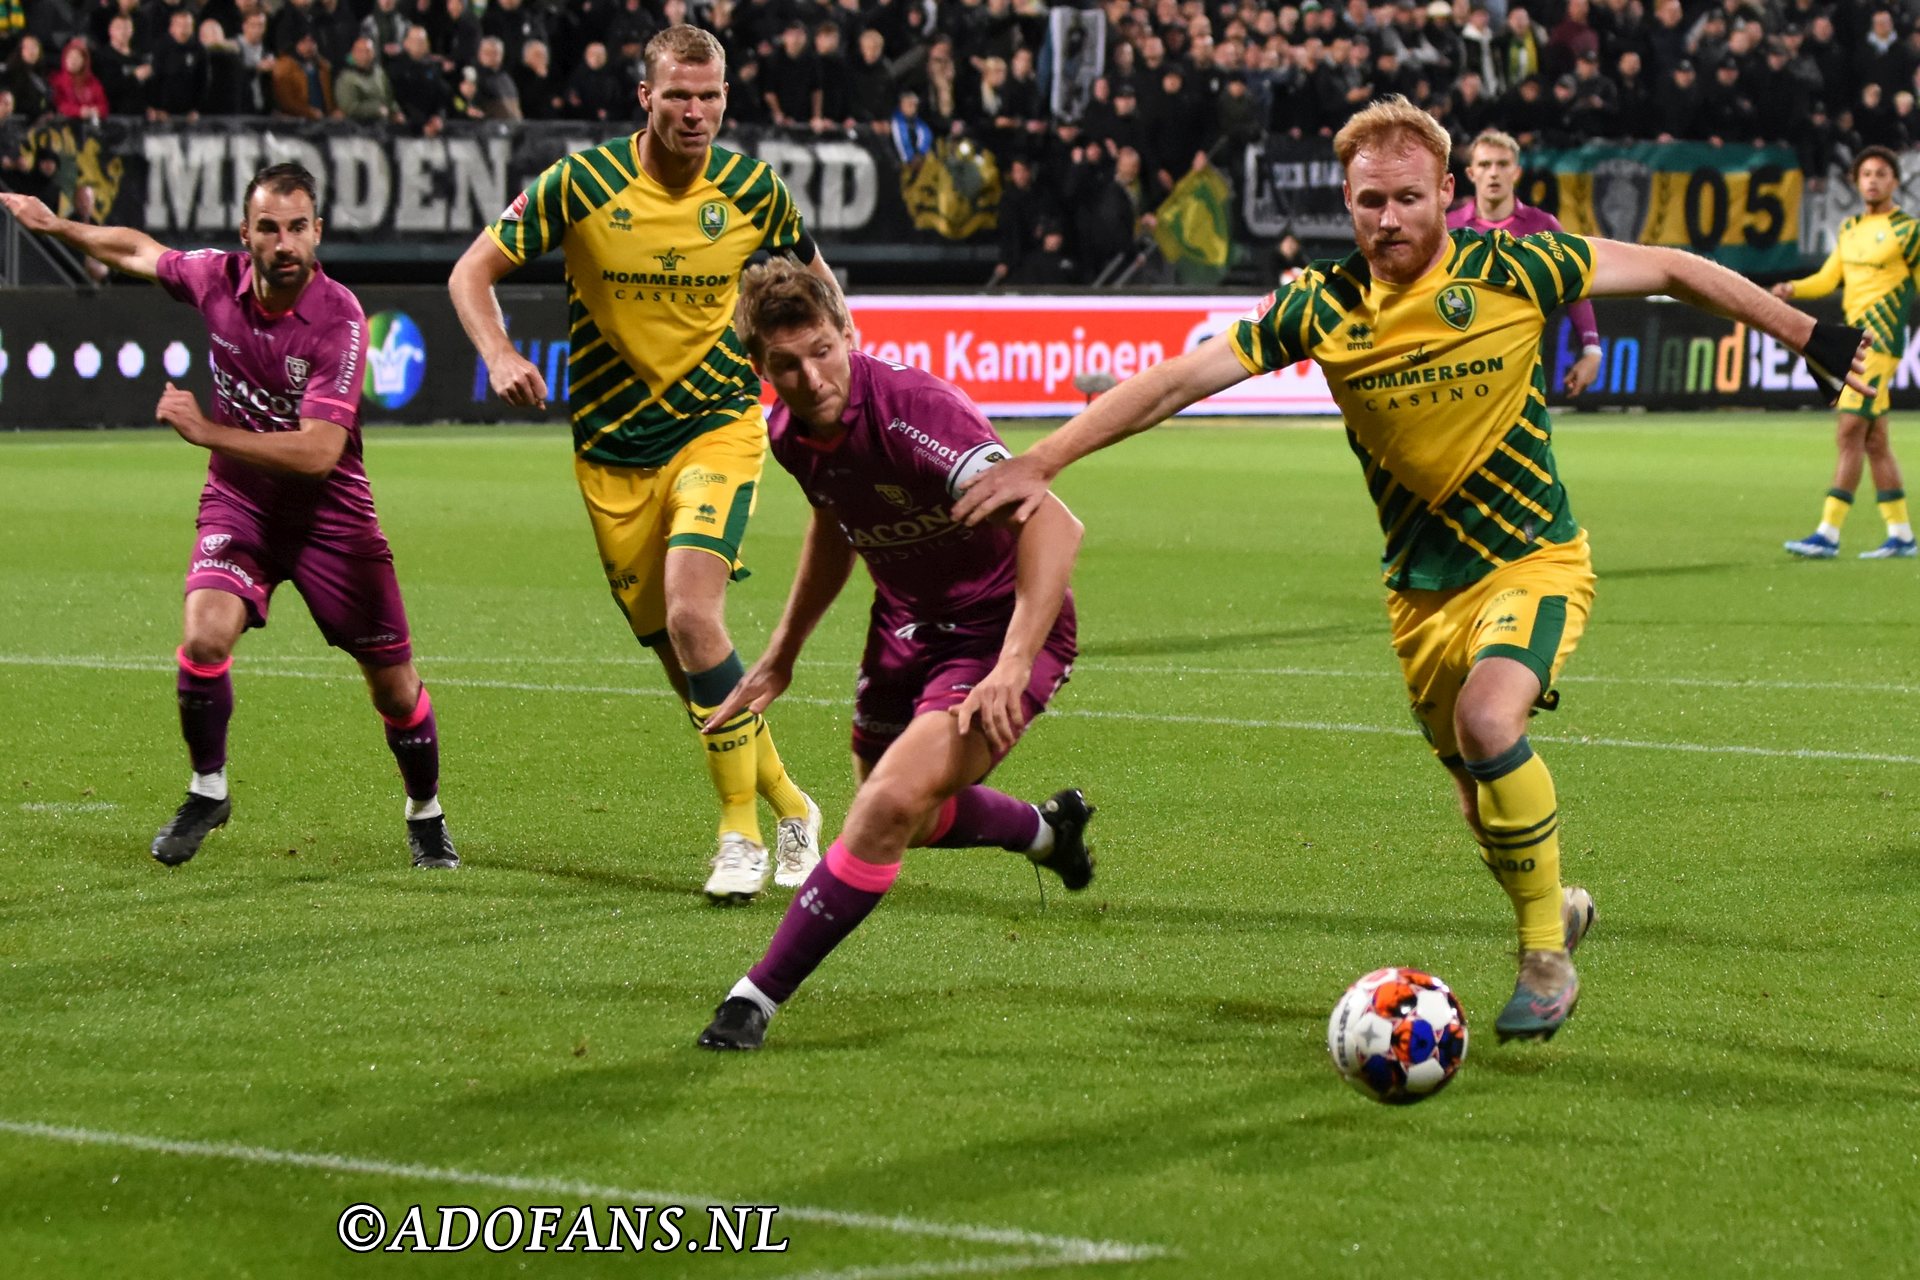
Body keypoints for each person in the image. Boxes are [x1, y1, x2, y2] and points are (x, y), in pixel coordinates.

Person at [952, 96, 1870, 1044]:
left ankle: (1544, 957)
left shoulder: (1517, 264)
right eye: (1367, 203)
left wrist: (1809, 334)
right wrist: (1046, 456)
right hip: (1418, 596)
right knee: (1481, 801)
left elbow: (1675, 269)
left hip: (1533, 559)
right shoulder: (1325, 303)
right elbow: (1180, 380)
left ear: (1447, 194)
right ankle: (1558, 905)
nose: (1387, 220)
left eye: (1405, 199)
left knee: (1489, 722)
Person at [449, 25, 826, 903]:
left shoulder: (751, 188)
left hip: (719, 427)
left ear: (726, 98)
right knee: (691, 661)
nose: (696, 112)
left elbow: (820, 288)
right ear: (645, 99)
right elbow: (472, 273)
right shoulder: (581, 184)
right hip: (613, 454)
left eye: (711, 96)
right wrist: (500, 354)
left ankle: (737, 838)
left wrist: (842, 381)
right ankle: (791, 802)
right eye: (679, 96)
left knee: (698, 615)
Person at [0, 165, 458, 871]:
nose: (284, 243)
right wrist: (59, 226)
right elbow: (136, 251)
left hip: (331, 521)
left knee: (394, 688)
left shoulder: (339, 318)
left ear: (318, 233)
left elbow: (317, 453)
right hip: (240, 504)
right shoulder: (215, 278)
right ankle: (207, 789)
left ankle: (425, 812)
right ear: (245, 235)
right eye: (268, 228)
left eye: (297, 228)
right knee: (204, 637)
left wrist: (207, 431)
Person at [695, 258, 1094, 1051]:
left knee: (880, 810)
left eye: (821, 351)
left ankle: (753, 1000)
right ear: (757, 368)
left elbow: (1054, 524)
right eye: (784, 364)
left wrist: (1013, 662)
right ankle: (1048, 834)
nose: (809, 377)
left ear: (848, 334)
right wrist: (781, 654)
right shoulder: (789, 434)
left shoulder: (915, 414)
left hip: (1000, 629)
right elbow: (834, 527)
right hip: (906, 627)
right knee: (905, 814)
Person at [1776, 146, 1918, 559]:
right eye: (1866, 174)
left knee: (1848, 431)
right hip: (1853, 344)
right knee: (1875, 442)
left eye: (1881, 174)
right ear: (1857, 182)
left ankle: (1828, 532)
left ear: (1894, 182)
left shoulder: (1909, 232)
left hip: (1880, 345)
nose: (1872, 180)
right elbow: (1827, 279)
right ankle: (1902, 534)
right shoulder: (1850, 227)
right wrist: (1792, 289)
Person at [1448, 128, 1604, 396]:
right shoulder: (1448, 228)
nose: (1494, 172)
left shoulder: (1542, 226)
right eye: (1485, 165)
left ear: (1516, 172)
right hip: (1457, 370)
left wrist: (1591, 350)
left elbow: (1574, 287)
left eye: (1502, 164)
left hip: (1521, 376)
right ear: (1471, 174)